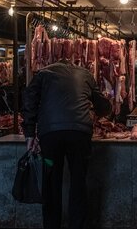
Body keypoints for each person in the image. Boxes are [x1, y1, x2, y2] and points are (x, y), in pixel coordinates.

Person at [22, 59, 111, 229]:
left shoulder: (42, 74)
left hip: (50, 136)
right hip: (79, 134)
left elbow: (29, 101)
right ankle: (77, 225)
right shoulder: (85, 74)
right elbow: (102, 106)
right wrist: (104, 110)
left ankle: (51, 225)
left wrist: (29, 134)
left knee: (51, 181)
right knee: (78, 181)